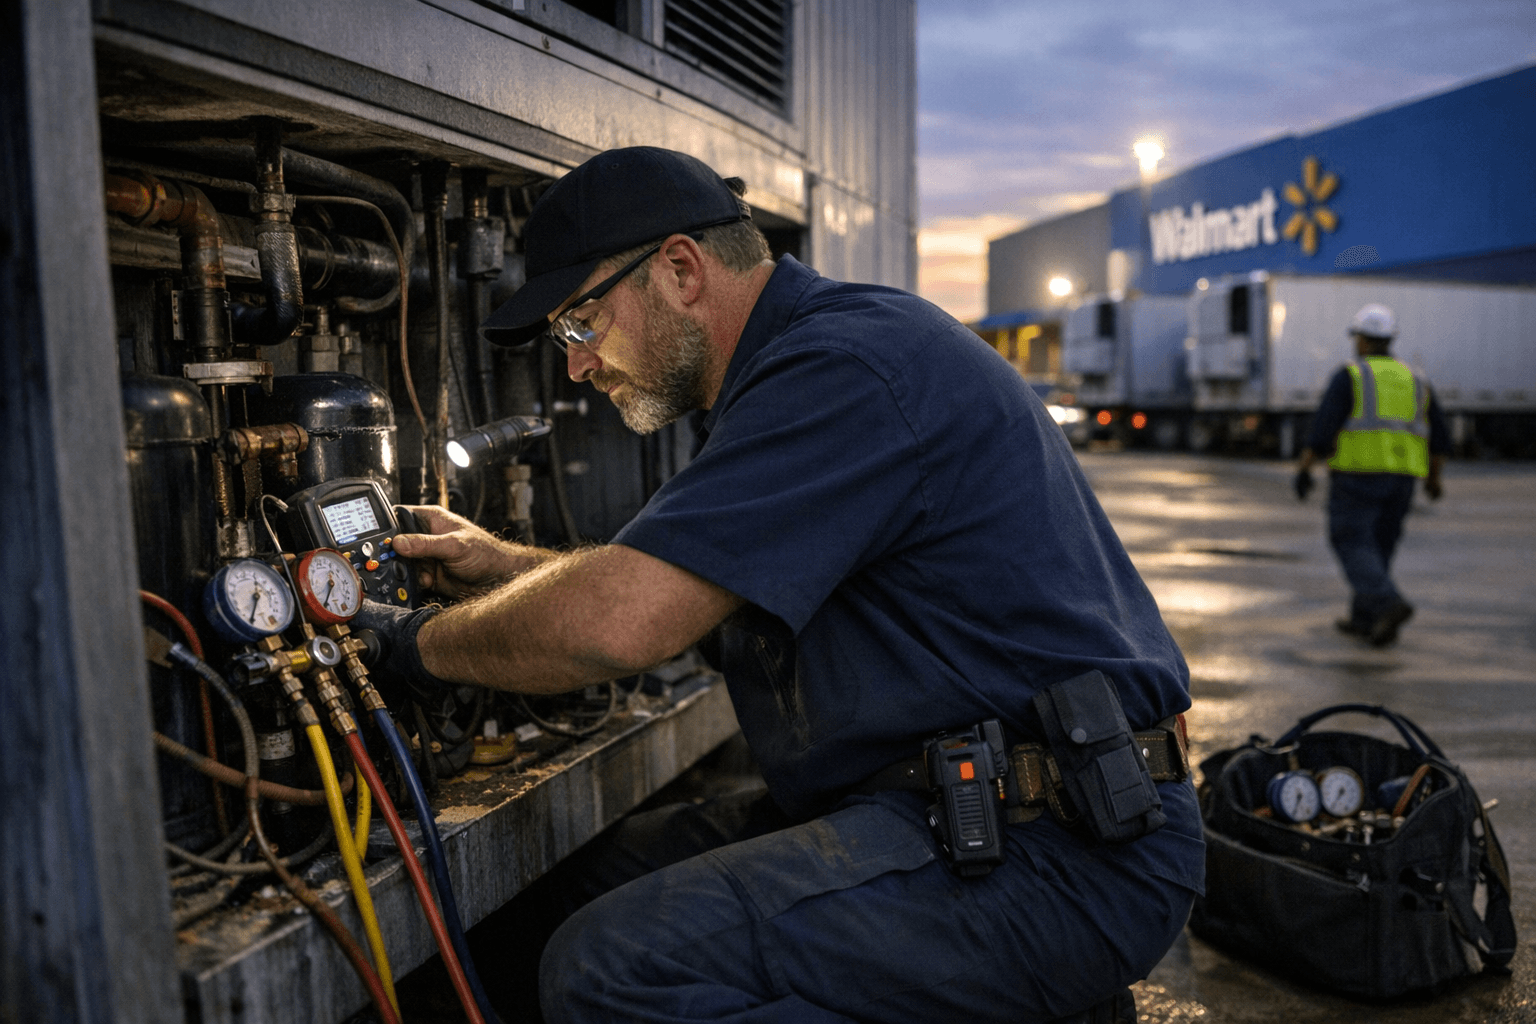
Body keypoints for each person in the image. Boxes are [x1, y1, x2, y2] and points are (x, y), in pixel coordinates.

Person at [358, 147, 1202, 1024]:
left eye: (580, 323)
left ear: (680, 270)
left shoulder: (843, 368)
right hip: (957, 812)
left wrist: (410, 644)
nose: (577, 364)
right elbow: (685, 594)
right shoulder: (805, 366)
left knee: (611, 967)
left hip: (1062, 856)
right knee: (562, 895)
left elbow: (625, 624)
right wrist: (506, 569)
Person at [1293, 302, 1449, 646]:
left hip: (1357, 475)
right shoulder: (1416, 379)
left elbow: (1322, 430)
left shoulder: (1352, 375)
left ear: (1362, 341)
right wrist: (1434, 479)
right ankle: (1366, 619)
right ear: (1390, 339)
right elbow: (1439, 436)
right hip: (1403, 479)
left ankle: (1387, 603)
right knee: (1379, 547)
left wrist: (1304, 470)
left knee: (1350, 541)